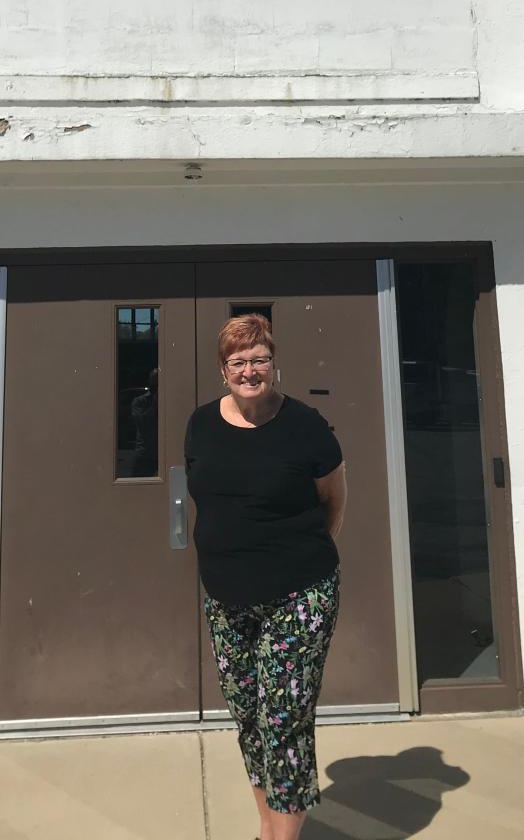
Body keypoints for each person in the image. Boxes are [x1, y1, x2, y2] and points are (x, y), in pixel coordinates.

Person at [184, 314, 348, 840]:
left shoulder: (306, 426)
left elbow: (334, 502)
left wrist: (294, 558)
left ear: (274, 364)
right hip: (226, 597)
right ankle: (266, 826)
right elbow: (204, 494)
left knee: (284, 717)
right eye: (238, 362)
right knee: (250, 716)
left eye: (259, 360)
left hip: (298, 595)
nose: (249, 371)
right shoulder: (202, 424)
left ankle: (284, 836)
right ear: (222, 370)